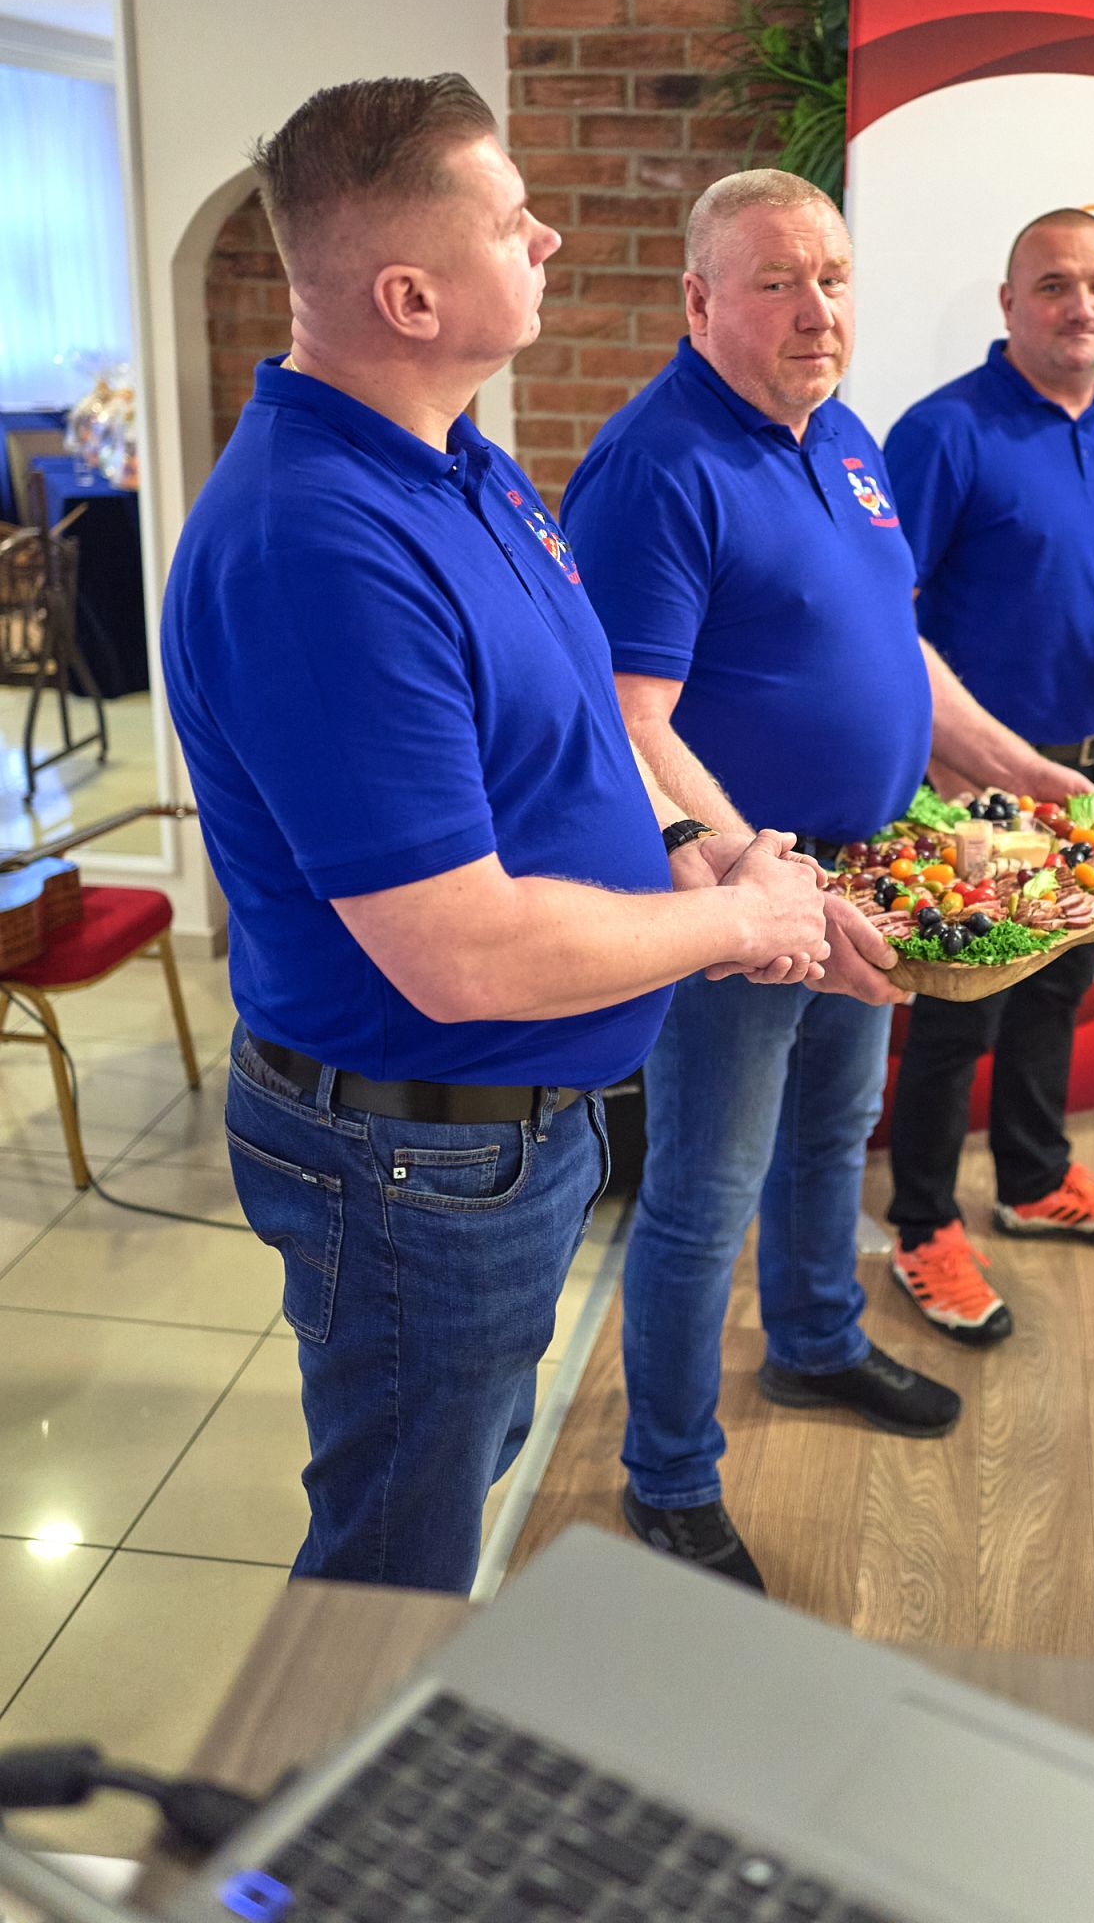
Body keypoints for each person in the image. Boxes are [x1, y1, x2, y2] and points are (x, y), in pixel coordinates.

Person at [160, 78, 827, 1594]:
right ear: (409, 296)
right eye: (513, 220)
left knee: (454, 1487)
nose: (548, 238)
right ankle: (330, 1765)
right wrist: (739, 923)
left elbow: (584, 729)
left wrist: (697, 847)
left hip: (508, 1126)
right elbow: (458, 952)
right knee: (389, 1574)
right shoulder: (317, 544)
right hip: (414, 1151)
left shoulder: (465, 462)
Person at [561, 169, 1094, 1593]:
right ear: (699, 300)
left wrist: (1011, 759)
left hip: (866, 883)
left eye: (835, 278)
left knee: (828, 1139)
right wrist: (756, 877)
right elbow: (624, 716)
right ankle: (670, 1474)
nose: (818, 311)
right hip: (740, 905)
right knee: (703, 1192)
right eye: (778, 282)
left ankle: (812, 1341)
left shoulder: (845, 435)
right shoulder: (657, 464)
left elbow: (891, 642)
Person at [881, 207, 1094, 1346]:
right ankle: (923, 1227)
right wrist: (941, 755)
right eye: (1054, 285)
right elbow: (882, 613)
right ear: (1008, 303)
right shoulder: (944, 432)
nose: (1082, 307)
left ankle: (1032, 1182)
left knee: (1056, 989)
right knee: (956, 1015)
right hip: (975, 790)